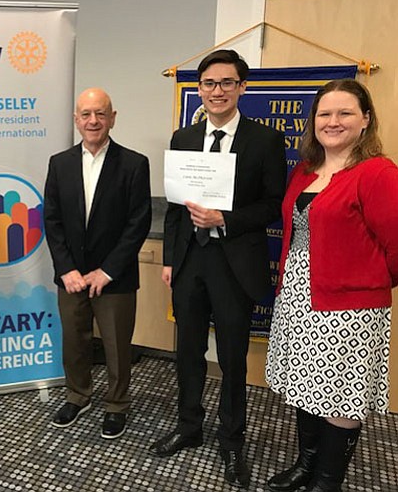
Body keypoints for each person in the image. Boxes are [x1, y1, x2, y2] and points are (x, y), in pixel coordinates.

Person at [149, 49, 287, 488]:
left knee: (230, 359)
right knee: (186, 352)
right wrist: (170, 259)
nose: (217, 91)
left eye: (227, 82)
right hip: (189, 262)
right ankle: (189, 426)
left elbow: (272, 206)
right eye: (209, 83)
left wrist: (225, 219)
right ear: (199, 90)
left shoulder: (264, 140)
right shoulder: (183, 137)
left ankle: (232, 441)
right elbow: (173, 208)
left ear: (242, 87)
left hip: (234, 264)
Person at [265, 79, 398, 492]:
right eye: (325, 113)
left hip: (350, 308)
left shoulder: (377, 172)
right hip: (298, 296)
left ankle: (327, 480)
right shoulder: (305, 170)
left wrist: (363, 284)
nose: (333, 121)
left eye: (345, 113)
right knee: (307, 386)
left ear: (365, 120)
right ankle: (307, 464)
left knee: (340, 397)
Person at [44, 88, 151, 440]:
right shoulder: (59, 163)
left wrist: (107, 270)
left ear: (113, 117)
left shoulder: (134, 163)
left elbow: (139, 222)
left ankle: (117, 404)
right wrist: (66, 269)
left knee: (117, 346)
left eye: (100, 113)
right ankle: (79, 395)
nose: (93, 121)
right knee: (74, 341)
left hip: (114, 277)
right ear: (76, 120)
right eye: (86, 114)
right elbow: (52, 219)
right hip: (71, 277)